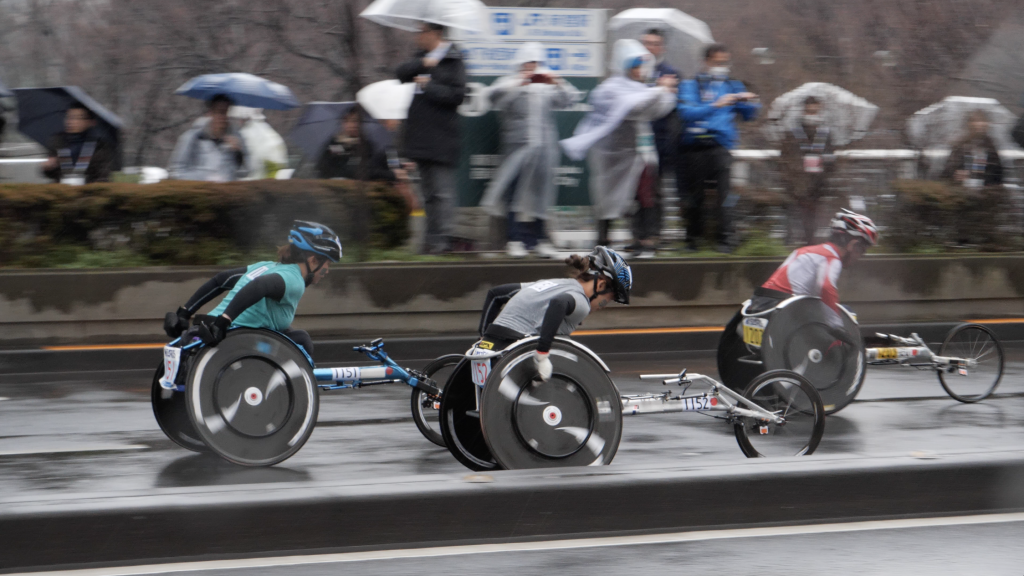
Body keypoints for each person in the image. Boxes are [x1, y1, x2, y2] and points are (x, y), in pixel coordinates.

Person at [442, 246, 633, 469]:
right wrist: (542, 354)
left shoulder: (549, 283)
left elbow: (497, 294)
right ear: (600, 285)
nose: (601, 307)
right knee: (546, 374)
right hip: (514, 343)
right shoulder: (580, 301)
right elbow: (558, 305)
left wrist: (486, 336)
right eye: (607, 301)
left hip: (495, 341)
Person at [561, 39, 678, 253]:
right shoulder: (609, 89)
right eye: (635, 66)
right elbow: (632, 107)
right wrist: (659, 90)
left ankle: (642, 238)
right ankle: (603, 238)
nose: (639, 71)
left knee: (642, 193)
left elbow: (654, 110)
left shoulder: (640, 88)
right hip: (609, 153)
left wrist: (666, 93)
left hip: (634, 152)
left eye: (641, 66)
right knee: (607, 196)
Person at [162, 221, 342, 357]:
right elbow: (260, 285)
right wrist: (224, 323)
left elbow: (221, 280)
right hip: (233, 340)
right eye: (328, 264)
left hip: (206, 328)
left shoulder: (266, 266)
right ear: (313, 261)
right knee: (302, 340)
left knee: (288, 333)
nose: (327, 271)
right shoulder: (294, 279)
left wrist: (184, 314)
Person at [480, 42, 581, 259]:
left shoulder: (544, 86)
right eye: (528, 62)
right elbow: (493, 97)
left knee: (541, 194)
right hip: (517, 149)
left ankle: (538, 240)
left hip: (544, 151)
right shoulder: (509, 83)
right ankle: (514, 239)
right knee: (514, 193)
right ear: (519, 63)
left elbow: (570, 99)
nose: (532, 67)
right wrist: (520, 83)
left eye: (536, 63)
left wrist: (558, 83)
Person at [678, 44, 760, 252]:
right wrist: (716, 105)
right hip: (694, 146)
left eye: (725, 63)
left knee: (725, 194)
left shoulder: (732, 85)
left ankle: (725, 238)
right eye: (717, 63)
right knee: (694, 195)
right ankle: (692, 239)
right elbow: (686, 113)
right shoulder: (690, 85)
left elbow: (749, 115)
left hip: (721, 145)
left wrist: (751, 101)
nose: (721, 67)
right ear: (706, 62)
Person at [396, 22, 467, 254]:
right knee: (427, 193)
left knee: (442, 192)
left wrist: (430, 86)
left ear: (436, 34)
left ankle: (443, 240)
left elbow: (458, 95)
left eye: (422, 32)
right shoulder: (422, 57)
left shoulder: (454, 60)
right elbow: (400, 73)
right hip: (420, 135)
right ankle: (430, 241)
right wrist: (422, 63)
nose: (418, 36)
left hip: (442, 136)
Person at [756, 209, 877, 324]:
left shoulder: (805, 251)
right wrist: (837, 326)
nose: (860, 256)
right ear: (853, 245)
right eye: (862, 250)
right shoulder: (831, 258)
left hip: (761, 302)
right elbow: (826, 287)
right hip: (784, 309)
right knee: (847, 313)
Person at [638, 28, 681, 257]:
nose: (649, 47)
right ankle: (638, 236)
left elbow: (669, 105)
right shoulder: (633, 71)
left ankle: (654, 236)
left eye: (654, 43)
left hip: (660, 139)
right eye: (646, 42)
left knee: (655, 190)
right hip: (634, 140)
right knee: (636, 190)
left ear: (661, 47)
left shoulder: (670, 73)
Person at [779, 96, 837, 245]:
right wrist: (792, 176)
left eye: (815, 106)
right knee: (799, 213)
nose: (812, 109)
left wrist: (826, 170)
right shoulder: (794, 132)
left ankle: (811, 242)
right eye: (809, 106)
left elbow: (831, 156)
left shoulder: (825, 132)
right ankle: (799, 242)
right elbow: (786, 156)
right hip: (799, 179)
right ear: (804, 108)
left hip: (818, 178)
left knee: (815, 214)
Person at [168, 94, 249, 182]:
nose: (223, 117)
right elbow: (175, 171)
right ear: (210, 113)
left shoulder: (236, 138)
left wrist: (238, 153)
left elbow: (245, 172)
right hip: (199, 192)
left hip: (226, 193)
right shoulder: (193, 137)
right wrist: (204, 179)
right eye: (219, 112)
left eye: (226, 112)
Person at [41, 102, 116, 184]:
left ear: (89, 122)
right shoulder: (58, 141)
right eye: (68, 117)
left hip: (89, 192)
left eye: (76, 118)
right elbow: (52, 175)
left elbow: (103, 175)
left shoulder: (99, 146)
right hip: (62, 191)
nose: (70, 121)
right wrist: (48, 167)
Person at [315, 107, 396, 182]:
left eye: (357, 121)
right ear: (343, 123)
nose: (353, 125)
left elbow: (372, 169)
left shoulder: (367, 145)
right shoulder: (333, 144)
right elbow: (322, 167)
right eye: (348, 121)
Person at [940, 110, 1003, 188]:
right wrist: (955, 175)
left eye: (983, 120)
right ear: (969, 124)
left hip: (985, 194)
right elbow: (946, 173)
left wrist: (985, 180)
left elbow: (998, 176)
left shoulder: (991, 147)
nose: (981, 124)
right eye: (977, 120)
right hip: (961, 192)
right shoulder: (960, 146)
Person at [229, 106, 288, 180]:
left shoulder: (245, 134)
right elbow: (277, 167)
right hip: (261, 183)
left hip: (250, 184)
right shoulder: (271, 134)